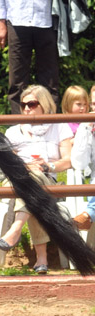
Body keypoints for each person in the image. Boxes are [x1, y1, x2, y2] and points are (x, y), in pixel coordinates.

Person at [0, 85, 73, 274]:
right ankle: (41, 258)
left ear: (45, 104)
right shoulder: (13, 131)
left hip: (47, 179)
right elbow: (6, 162)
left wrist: (48, 166)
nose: (27, 109)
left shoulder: (60, 127)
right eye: (23, 105)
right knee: (32, 184)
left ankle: (16, 228)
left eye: (31, 104)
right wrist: (25, 167)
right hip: (17, 179)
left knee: (35, 182)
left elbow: (68, 160)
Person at [0, 0, 60, 113]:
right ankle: (19, 125)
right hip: (17, 20)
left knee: (50, 81)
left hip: (47, 19)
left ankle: (50, 124)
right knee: (17, 82)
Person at [70, 85, 95, 230]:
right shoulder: (86, 125)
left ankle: (88, 214)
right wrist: (85, 130)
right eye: (94, 104)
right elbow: (79, 164)